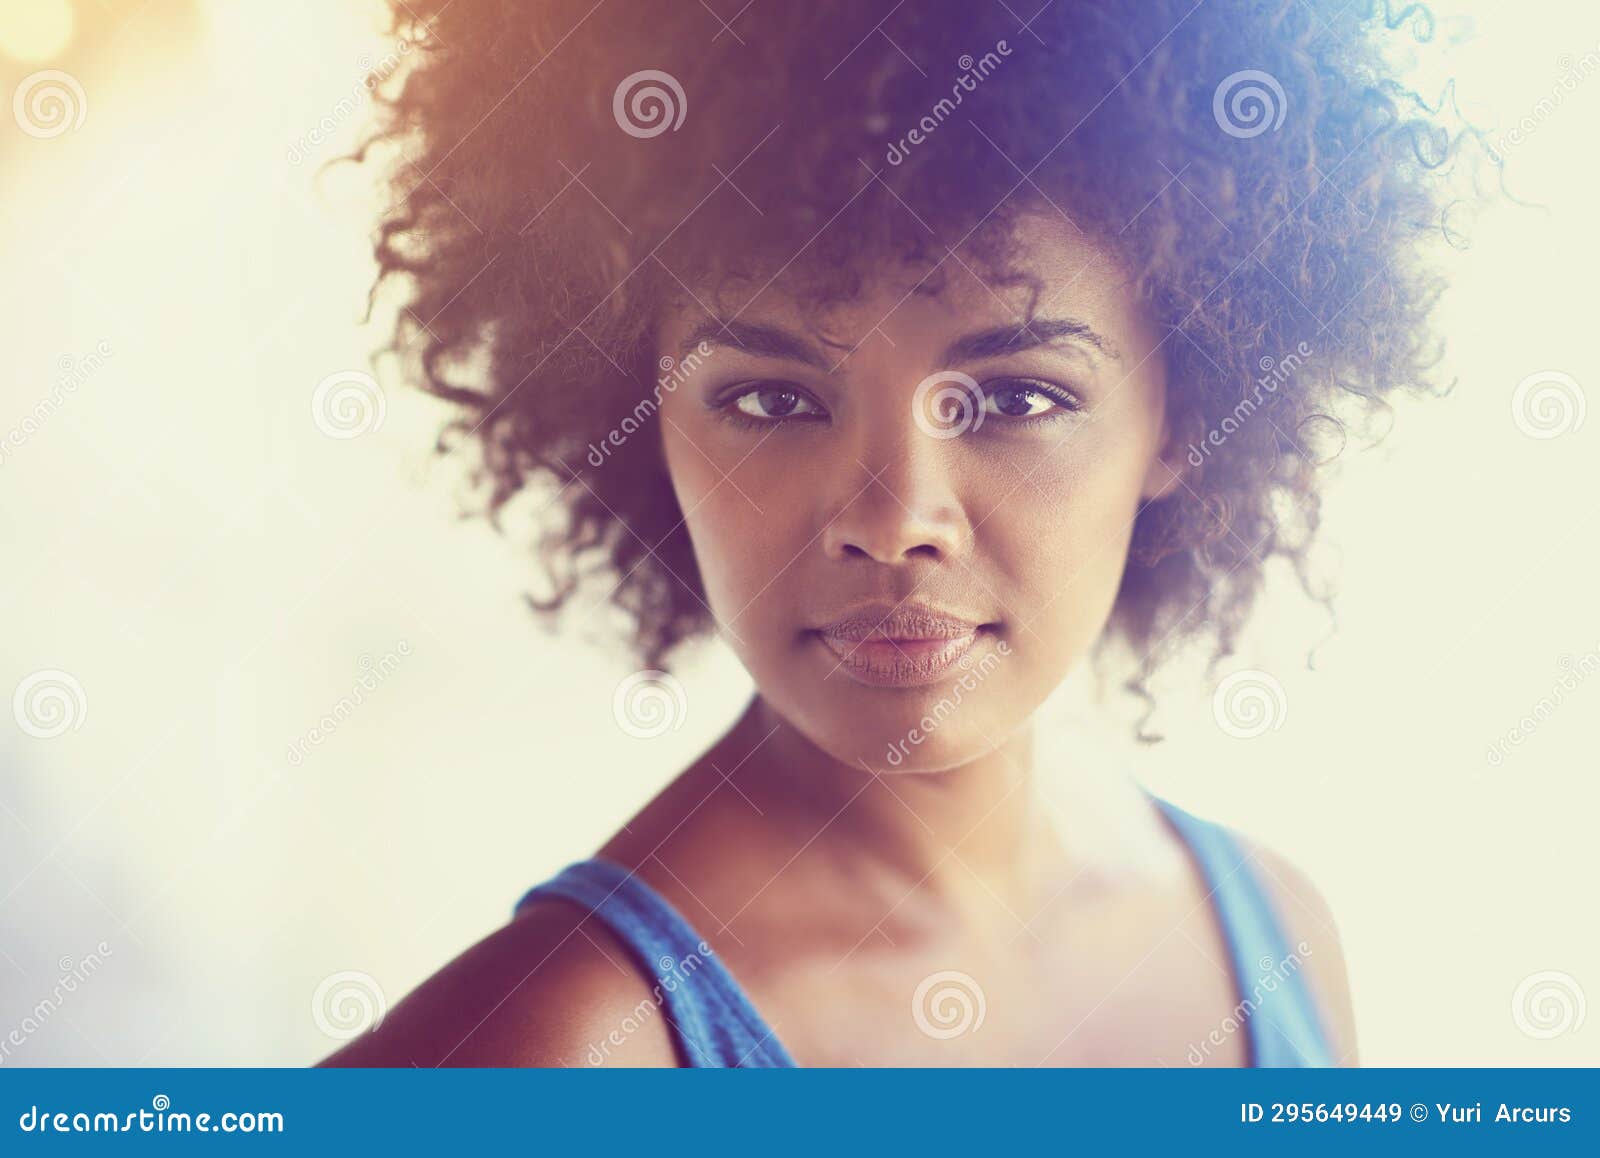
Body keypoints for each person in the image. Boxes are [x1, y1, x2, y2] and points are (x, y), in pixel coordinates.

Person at [320, 0, 1471, 1067]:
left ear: (1187, 410)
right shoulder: (545, 1058)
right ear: (641, 417)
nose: (892, 520)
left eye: (1015, 398)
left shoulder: (1276, 939)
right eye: (772, 400)